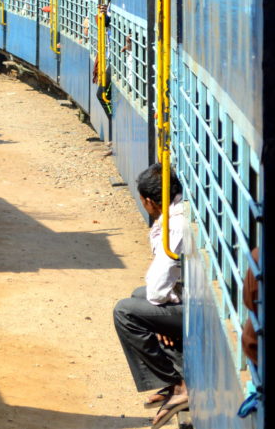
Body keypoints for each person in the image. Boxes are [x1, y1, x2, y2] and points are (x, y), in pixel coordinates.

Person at [113, 163, 187, 428]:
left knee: (126, 311)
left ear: (148, 201)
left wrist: (159, 314)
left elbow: (157, 290)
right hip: (188, 299)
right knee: (139, 296)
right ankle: (174, 379)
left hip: (193, 307)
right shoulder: (175, 214)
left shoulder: (173, 226)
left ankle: (178, 385)